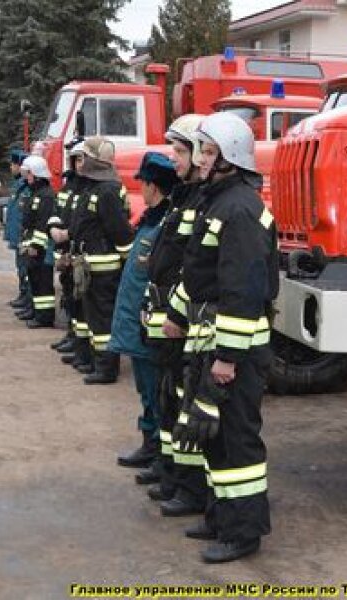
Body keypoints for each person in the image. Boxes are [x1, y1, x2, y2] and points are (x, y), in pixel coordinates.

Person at [166, 111, 279, 563]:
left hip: (236, 349)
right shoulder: (217, 201)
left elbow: (243, 291)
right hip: (210, 340)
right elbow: (199, 275)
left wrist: (227, 356)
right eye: (202, 150)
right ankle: (219, 516)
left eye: (210, 152)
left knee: (236, 439)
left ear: (230, 158)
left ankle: (243, 532)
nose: (202, 158)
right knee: (211, 435)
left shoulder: (241, 210)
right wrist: (179, 315)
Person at [141, 114, 210, 517]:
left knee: (184, 404)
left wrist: (177, 311)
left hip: (184, 321)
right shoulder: (184, 197)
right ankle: (171, 474)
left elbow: (195, 266)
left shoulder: (202, 201)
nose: (176, 160)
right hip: (167, 316)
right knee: (169, 400)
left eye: (181, 151)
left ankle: (188, 487)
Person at [109, 152, 179, 475]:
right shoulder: (151, 220)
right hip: (138, 326)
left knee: (157, 392)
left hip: (151, 330)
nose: (141, 189)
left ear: (155, 186)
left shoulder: (166, 223)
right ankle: (150, 444)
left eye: (144, 183)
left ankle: (161, 455)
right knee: (146, 391)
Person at [67, 136, 135, 384]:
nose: (80, 163)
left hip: (103, 269)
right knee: (94, 318)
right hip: (90, 265)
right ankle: (97, 361)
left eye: (85, 157)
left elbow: (120, 232)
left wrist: (129, 266)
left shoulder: (106, 191)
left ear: (96, 160)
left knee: (103, 319)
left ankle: (107, 369)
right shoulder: (94, 188)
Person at [48, 141, 86, 354]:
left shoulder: (88, 187)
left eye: (81, 159)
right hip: (65, 249)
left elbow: (83, 222)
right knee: (69, 296)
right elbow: (57, 211)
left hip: (76, 250)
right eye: (75, 159)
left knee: (79, 300)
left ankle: (78, 341)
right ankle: (72, 335)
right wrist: (53, 227)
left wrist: (67, 234)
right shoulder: (69, 185)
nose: (78, 164)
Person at [19, 155, 56, 328]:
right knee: (33, 279)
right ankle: (35, 310)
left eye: (28, 174)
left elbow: (43, 224)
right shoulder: (36, 193)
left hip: (41, 249)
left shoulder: (46, 196)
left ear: (35, 174)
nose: (26, 178)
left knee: (43, 283)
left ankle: (45, 317)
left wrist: (36, 245)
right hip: (33, 246)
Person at [5, 148, 32, 315]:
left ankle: (27, 296)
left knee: (25, 267)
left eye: (13, 164)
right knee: (20, 266)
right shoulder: (18, 185)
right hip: (17, 234)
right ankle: (23, 294)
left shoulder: (26, 187)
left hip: (24, 235)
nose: (11, 167)